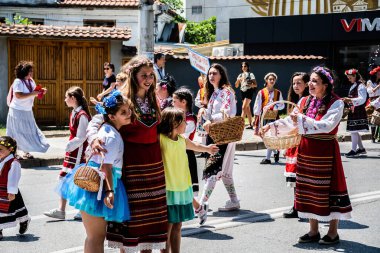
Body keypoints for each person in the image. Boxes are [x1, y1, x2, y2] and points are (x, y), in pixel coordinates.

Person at [262, 66, 352, 245]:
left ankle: (333, 233)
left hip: (325, 150)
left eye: (315, 81)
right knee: (309, 190)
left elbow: (327, 125)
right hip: (306, 149)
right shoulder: (305, 101)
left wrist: (302, 120)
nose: (310, 84)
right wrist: (271, 127)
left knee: (330, 189)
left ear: (325, 85)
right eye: (310, 80)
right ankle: (313, 231)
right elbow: (291, 121)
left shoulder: (336, 102)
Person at [88, 55, 168, 252]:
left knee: (150, 221)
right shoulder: (121, 97)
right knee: (132, 220)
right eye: (144, 75)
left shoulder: (153, 99)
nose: (148, 79)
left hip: (154, 166)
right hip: (131, 166)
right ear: (133, 75)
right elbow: (99, 119)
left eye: (151, 75)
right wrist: (93, 138)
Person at [58, 90, 132, 253]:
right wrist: (110, 191)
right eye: (123, 112)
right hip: (100, 186)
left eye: (129, 110)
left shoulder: (107, 129)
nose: (129, 114)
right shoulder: (111, 136)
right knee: (96, 237)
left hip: (98, 185)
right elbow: (106, 167)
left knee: (94, 237)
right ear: (112, 116)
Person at [158, 107, 218, 253]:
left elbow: (196, 146)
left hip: (182, 188)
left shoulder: (182, 139)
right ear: (174, 123)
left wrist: (208, 149)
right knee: (167, 228)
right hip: (168, 190)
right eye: (183, 121)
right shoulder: (160, 139)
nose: (186, 123)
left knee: (177, 226)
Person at [44, 86, 91, 221]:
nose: (65, 100)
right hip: (72, 151)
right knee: (64, 178)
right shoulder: (74, 112)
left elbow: (81, 137)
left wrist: (67, 146)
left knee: (79, 180)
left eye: (66, 97)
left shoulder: (82, 115)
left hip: (78, 152)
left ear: (73, 98)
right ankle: (61, 210)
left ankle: (82, 210)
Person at [200, 63, 240, 214]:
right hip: (214, 135)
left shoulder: (226, 92)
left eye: (214, 73)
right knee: (225, 172)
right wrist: (204, 113)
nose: (211, 76)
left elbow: (228, 113)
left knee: (213, 167)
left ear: (221, 75)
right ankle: (234, 200)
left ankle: (202, 203)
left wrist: (211, 118)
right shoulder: (214, 93)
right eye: (210, 74)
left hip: (223, 136)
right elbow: (212, 114)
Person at [172, 88, 208, 225]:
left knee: (185, 187)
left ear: (183, 102)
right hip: (173, 154)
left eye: (175, 101)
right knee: (176, 186)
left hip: (185, 154)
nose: (172, 103)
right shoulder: (175, 116)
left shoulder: (190, 120)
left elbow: (181, 137)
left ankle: (199, 209)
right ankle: (196, 209)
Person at [6, 61, 49, 159]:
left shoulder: (31, 81)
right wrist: (34, 93)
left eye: (32, 71)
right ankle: (14, 153)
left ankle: (26, 152)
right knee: (16, 131)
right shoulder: (18, 81)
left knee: (28, 131)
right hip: (17, 110)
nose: (31, 73)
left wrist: (41, 91)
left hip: (27, 110)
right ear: (24, 72)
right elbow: (18, 95)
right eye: (30, 71)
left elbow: (35, 93)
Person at [283, 72, 309, 219]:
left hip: (302, 142)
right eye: (294, 83)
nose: (296, 86)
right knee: (296, 177)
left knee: (300, 176)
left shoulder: (306, 100)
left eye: (299, 83)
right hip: (295, 141)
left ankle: (300, 206)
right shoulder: (299, 101)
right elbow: (288, 121)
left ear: (306, 84)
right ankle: (297, 206)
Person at [0, 136, 30, 240]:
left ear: (10, 150)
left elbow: (13, 178)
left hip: (8, 190)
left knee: (16, 208)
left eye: (1, 149)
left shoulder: (13, 163)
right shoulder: (1, 160)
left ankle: (24, 220)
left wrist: (11, 192)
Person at [253, 72, 284, 164]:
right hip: (263, 117)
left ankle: (267, 158)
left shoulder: (278, 93)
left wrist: (275, 107)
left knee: (269, 137)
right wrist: (256, 117)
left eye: (273, 79)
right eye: (270, 79)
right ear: (266, 80)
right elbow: (257, 106)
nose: (272, 80)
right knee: (264, 137)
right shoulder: (261, 92)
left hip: (273, 117)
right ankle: (275, 151)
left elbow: (282, 105)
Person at [342, 69, 369, 157]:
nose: (349, 79)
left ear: (355, 76)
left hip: (358, 110)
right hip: (353, 109)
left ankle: (354, 150)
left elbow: (362, 99)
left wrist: (350, 100)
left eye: (350, 78)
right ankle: (361, 149)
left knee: (353, 131)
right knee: (354, 130)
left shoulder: (360, 86)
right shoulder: (354, 85)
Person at [235, 62, 257, 129]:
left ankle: (240, 125)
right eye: (242, 66)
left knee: (243, 107)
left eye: (245, 66)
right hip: (242, 91)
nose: (243, 68)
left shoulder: (251, 74)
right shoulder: (240, 75)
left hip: (249, 91)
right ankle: (251, 124)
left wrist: (251, 85)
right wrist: (238, 80)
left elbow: (255, 84)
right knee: (247, 109)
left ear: (247, 67)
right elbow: (236, 86)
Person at [367, 66, 380, 142]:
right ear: (375, 74)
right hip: (373, 101)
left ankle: (378, 136)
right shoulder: (369, 82)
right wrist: (378, 86)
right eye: (378, 73)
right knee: (373, 119)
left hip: (379, 99)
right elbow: (370, 91)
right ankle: (373, 137)